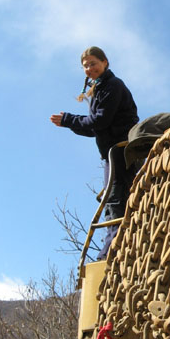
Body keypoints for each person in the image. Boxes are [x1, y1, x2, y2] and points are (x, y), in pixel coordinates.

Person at [50, 47, 139, 259]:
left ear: (105, 62)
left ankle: (112, 254)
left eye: (93, 63)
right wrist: (69, 123)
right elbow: (94, 128)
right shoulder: (101, 89)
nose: (90, 68)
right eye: (86, 66)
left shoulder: (112, 86)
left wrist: (69, 120)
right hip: (114, 153)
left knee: (116, 200)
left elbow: (100, 121)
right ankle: (114, 249)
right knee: (114, 200)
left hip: (122, 151)